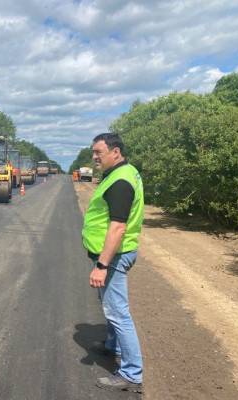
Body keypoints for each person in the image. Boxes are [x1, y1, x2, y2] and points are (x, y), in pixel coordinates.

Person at [81, 133, 144, 393]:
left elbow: (118, 227)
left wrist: (102, 265)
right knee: (109, 305)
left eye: (99, 152)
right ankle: (112, 346)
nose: (94, 157)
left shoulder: (120, 180)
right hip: (113, 254)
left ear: (115, 151)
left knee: (118, 312)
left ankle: (131, 373)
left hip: (114, 256)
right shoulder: (122, 173)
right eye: (94, 152)